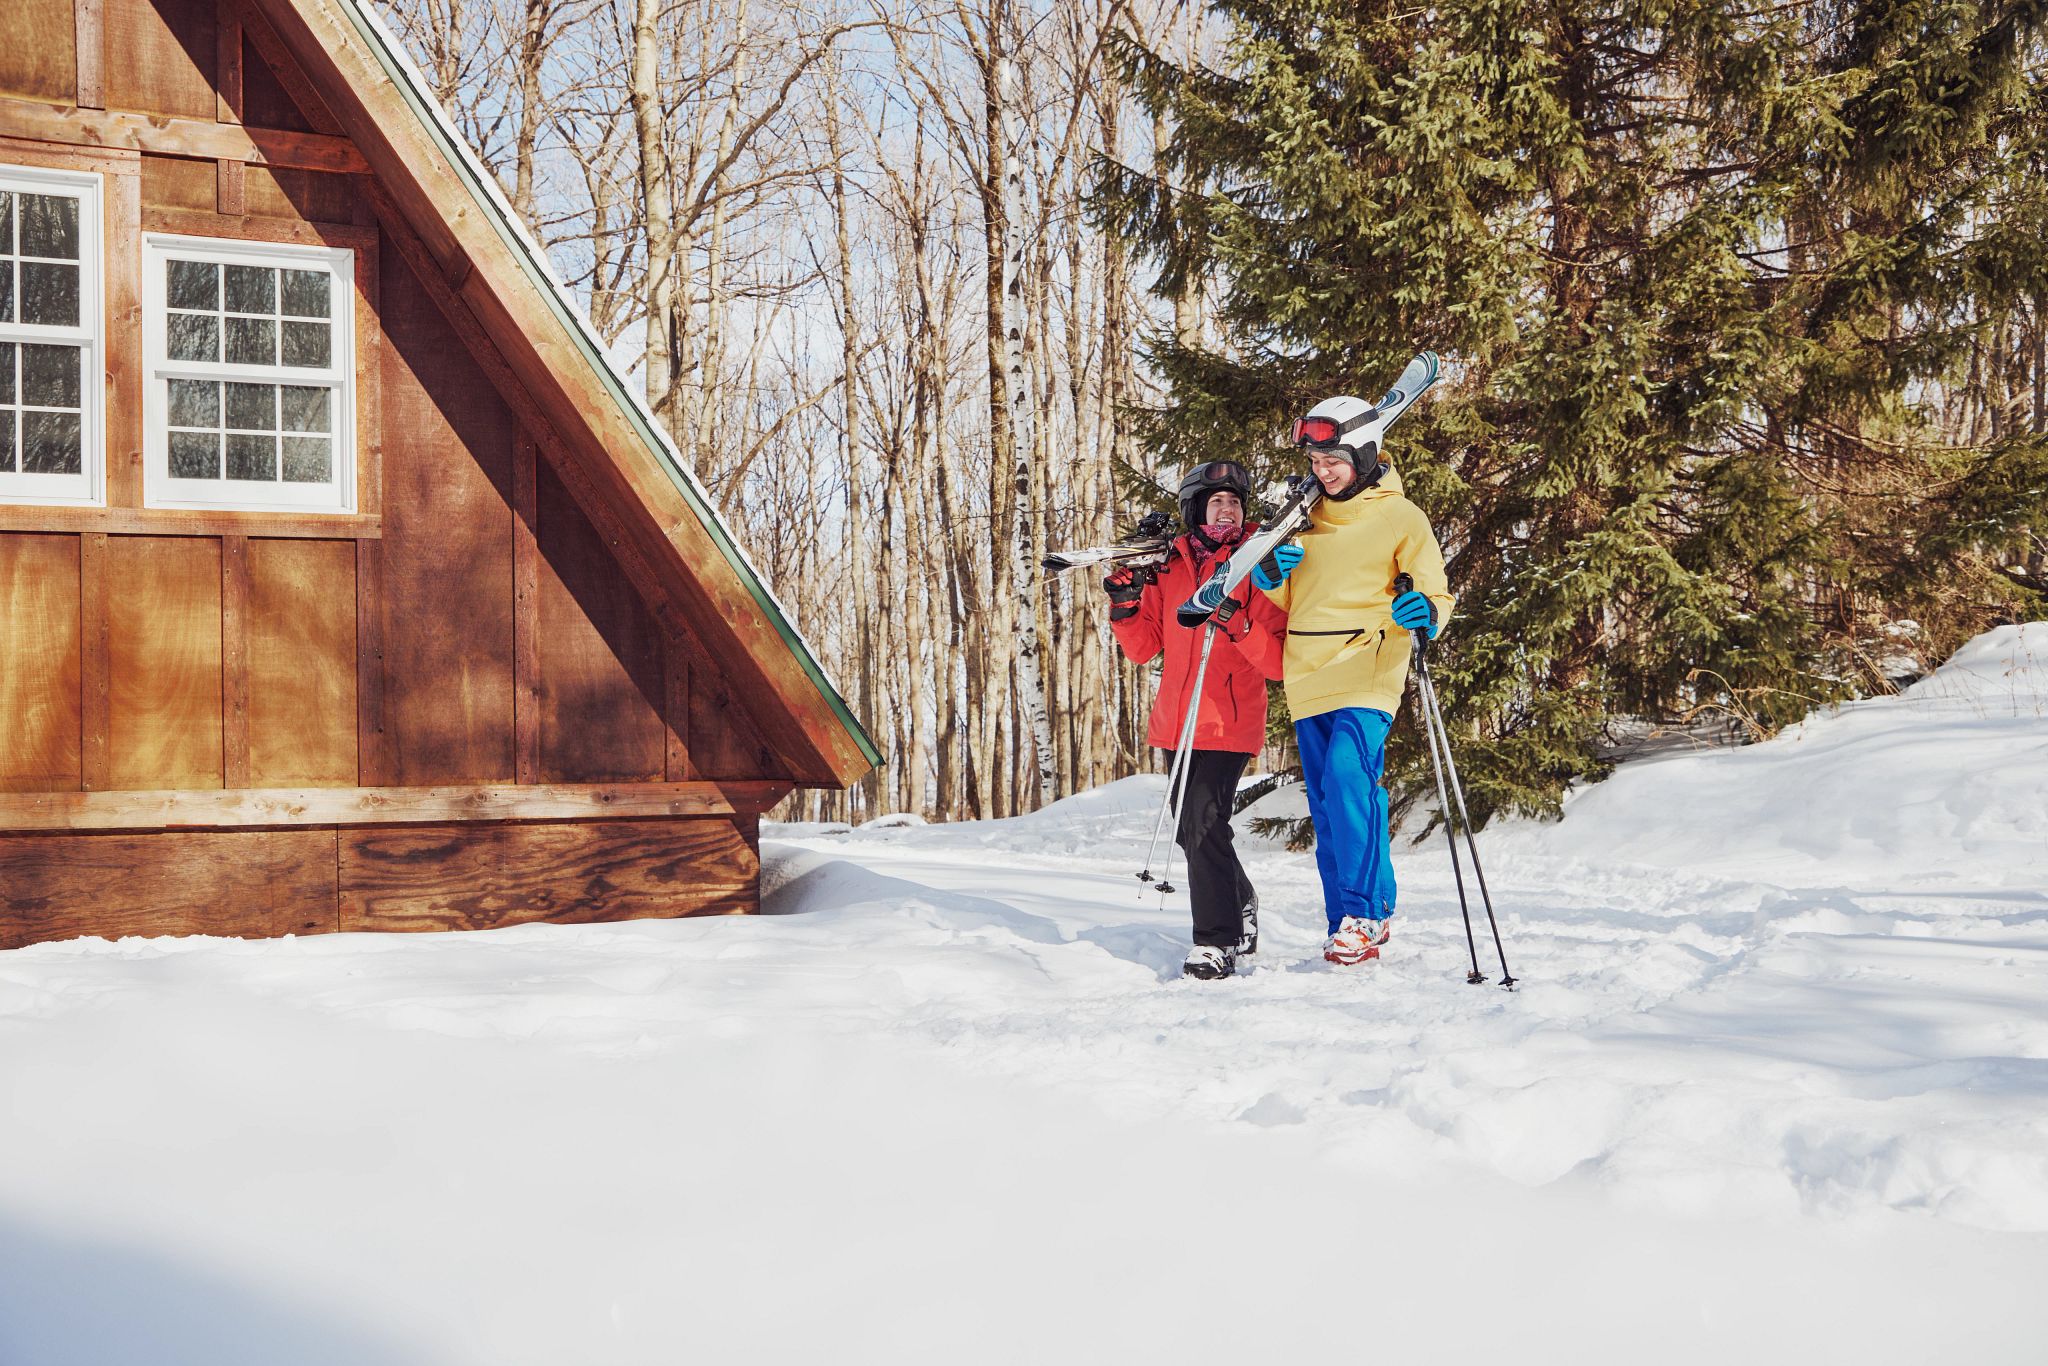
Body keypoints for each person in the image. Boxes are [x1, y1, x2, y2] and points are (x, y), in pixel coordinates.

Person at [1240, 396, 1455, 966]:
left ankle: (1366, 910)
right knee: (1329, 803)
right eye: (1315, 459)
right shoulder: (1301, 520)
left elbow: (1434, 588)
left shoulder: (1399, 516)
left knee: (1348, 781)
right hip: (1307, 672)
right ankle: (1347, 921)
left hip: (1369, 663)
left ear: (1363, 453)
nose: (1323, 469)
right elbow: (1292, 599)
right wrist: (1267, 574)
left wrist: (1426, 612)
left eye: (1333, 457)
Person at [1103, 461, 1288, 980]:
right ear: (1195, 510)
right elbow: (1143, 648)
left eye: (1234, 502)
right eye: (1216, 502)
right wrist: (1124, 603)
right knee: (1197, 833)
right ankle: (1241, 898)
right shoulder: (1172, 566)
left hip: (1229, 720)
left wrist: (1234, 619)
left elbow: (1275, 660)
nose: (1227, 510)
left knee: (1201, 824)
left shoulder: (1259, 564)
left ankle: (1215, 942)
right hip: (1176, 721)